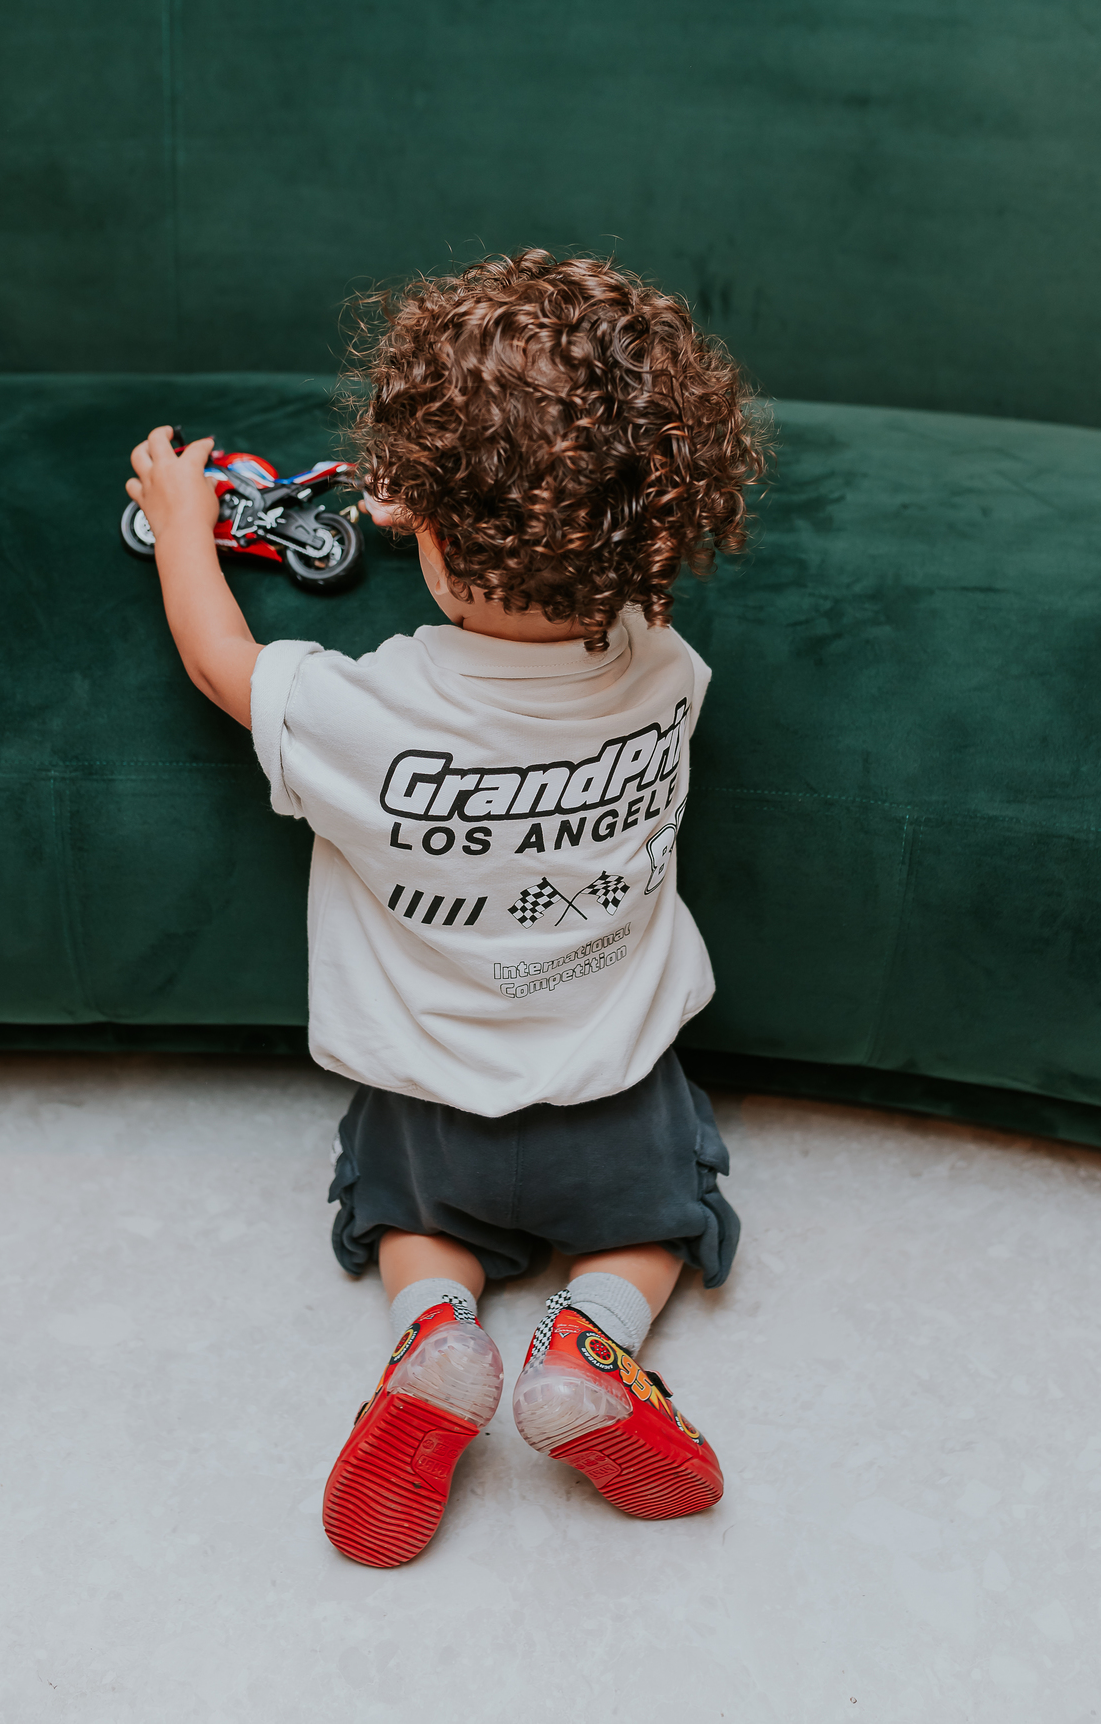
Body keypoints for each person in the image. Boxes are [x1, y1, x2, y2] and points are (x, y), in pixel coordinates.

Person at [126, 250, 764, 1569]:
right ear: (658, 535)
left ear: (414, 514)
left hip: (429, 1119)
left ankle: (434, 1329)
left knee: (406, 1215)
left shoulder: (365, 713)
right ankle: (593, 1337)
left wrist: (186, 522)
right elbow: (620, 547)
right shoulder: (666, 667)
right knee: (662, 1215)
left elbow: (218, 657)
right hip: (616, 1094)